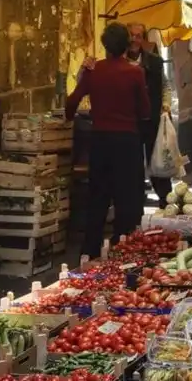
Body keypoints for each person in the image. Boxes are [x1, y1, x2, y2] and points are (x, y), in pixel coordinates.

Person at [65, 23, 150, 258]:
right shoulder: (135, 72)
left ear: (105, 45)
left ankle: (90, 248)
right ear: (126, 45)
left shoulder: (95, 71)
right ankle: (123, 248)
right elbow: (145, 110)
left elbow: (71, 102)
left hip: (100, 140)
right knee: (127, 196)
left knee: (98, 195)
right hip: (127, 142)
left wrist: (70, 115)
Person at [125, 24, 173, 205]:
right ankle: (135, 202)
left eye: (138, 36)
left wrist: (166, 104)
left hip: (152, 120)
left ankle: (165, 199)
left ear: (143, 39)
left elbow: (165, 85)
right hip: (130, 122)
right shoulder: (119, 62)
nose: (134, 40)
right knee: (133, 164)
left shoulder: (154, 61)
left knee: (158, 160)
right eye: (131, 35)